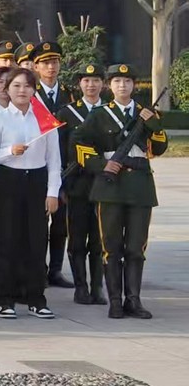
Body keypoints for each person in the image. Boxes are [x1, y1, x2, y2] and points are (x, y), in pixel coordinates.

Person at [76, 64, 168, 319]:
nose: (123, 86)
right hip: (111, 187)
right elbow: (79, 144)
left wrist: (155, 126)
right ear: (110, 86)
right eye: (117, 81)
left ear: (134, 85)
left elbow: (159, 148)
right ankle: (115, 300)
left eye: (127, 81)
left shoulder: (146, 113)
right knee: (111, 247)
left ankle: (133, 300)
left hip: (139, 186)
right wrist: (101, 165)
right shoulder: (99, 114)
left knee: (136, 248)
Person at [0, 68, 61, 320]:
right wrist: (9, 151)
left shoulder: (45, 119)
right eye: (16, 86)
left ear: (34, 90)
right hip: (7, 182)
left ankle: (36, 298)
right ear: (7, 90)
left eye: (27, 86)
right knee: (6, 240)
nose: (22, 91)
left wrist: (53, 192)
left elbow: (54, 160)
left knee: (36, 242)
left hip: (36, 182)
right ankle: (4, 298)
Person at [58, 63, 108, 305]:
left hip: (104, 183)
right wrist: (60, 185)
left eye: (96, 80)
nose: (91, 85)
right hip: (77, 184)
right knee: (77, 238)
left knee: (99, 239)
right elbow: (59, 150)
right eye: (86, 81)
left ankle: (97, 287)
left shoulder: (110, 112)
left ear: (103, 84)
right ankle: (81, 287)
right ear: (79, 84)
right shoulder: (67, 113)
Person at [26, 41, 74, 289]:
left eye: (54, 62)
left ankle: (55, 269)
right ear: (35, 66)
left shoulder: (70, 94)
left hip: (65, 167)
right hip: (36, 166)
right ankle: (37, 269)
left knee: (60, 223)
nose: (51, 67)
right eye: (45, 63)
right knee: (37, 223)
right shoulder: (29, 94)